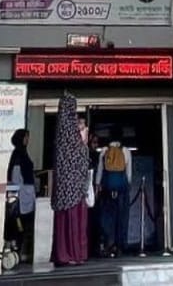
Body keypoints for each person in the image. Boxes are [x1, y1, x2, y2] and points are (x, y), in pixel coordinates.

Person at [50, 93, 89, 265]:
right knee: (74, 223)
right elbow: (82, 157)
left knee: (62, 222)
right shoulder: (74, 134)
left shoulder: (59, 132)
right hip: (74, 189)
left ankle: (62, 254)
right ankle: (74, 253)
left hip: (62, 190)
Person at [96, 125, 133, 257]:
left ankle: (108, 244)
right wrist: (127, 185)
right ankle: (120, 246)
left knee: (107, 218)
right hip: (122, 189)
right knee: (122, 217)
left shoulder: (105, 150)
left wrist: (98, 185)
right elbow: (129, 174)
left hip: (107, 189)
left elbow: (100, 170)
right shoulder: (126, 151)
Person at [7, 129, 35, 264]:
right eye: (26, 137)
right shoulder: (19, 154)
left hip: (25, 194)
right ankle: (17, 250)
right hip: (22, 195)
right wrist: (18, 194)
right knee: (20, 224)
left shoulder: (21, 153)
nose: (27, 140)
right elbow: (15, 177)